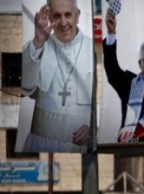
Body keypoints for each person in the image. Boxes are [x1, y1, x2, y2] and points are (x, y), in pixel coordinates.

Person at [21, 0, 93, 153]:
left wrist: (93, 128)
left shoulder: (93, 50)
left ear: (77, 16)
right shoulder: (37, 46)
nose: (63, 22)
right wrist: (38, 41)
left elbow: (105, 102)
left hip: (80, 148)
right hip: (41, 145)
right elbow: (24, 87)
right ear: (50, 18)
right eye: (57, 16)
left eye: (68, 14)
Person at [103, 9, 144, 143]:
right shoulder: (128, 83)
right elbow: (111, 68)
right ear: (140, 63)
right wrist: (111, 33)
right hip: (130, 152)